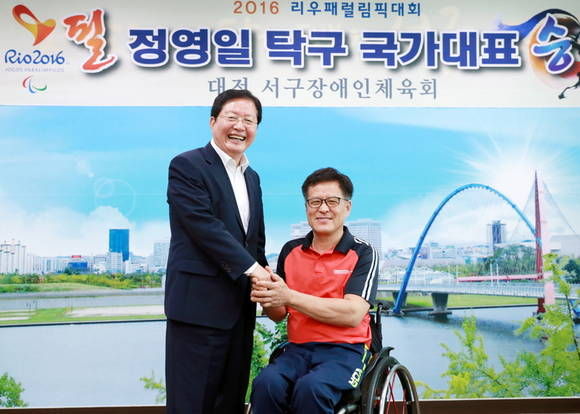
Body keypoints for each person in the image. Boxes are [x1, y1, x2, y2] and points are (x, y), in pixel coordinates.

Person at [165, 89, 271, 414]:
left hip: (240, 310)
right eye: (232, 118)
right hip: (197, 310)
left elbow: (254, 241)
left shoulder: (252, 177)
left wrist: (267, 275)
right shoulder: (187, 165)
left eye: (249, 120)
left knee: (231, 402)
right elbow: (204, 227)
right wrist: (254, 269)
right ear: (213, 121)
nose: (240, 127)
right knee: (192, 405)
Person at [250, 167, 379, 414]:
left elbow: (353, 314)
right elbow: (278, 314)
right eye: (315, 202)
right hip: (298, 348)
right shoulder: (290, 251)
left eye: (332, 201)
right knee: (266, 384)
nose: (323, 208)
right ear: (307, 207)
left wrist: (289, 296)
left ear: (347, 207)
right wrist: (268, 294)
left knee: (312, 388)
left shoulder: (362, 252)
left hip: (347, 350)